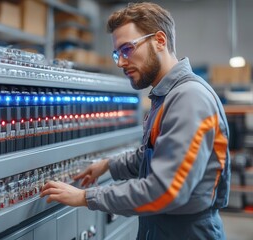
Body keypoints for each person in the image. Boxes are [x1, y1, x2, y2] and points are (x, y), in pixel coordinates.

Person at [40, 2, 231, 239]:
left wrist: (85, 197)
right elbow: (151, 154)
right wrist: (108, 164)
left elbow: (167, 191)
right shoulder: (167, 96)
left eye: (127, 49)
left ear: (160, 40)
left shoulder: (189, 98)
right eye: (117, 53)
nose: (120, 62)